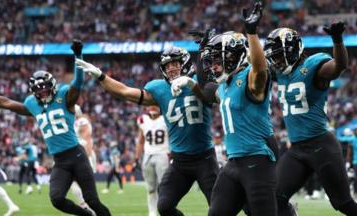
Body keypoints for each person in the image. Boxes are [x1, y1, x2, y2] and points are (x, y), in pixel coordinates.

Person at [76, 45, 219, 216]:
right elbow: (125, 92)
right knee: (164, 206)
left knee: (218, 208)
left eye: (175, 63)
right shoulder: (159, 89)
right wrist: (101, 76)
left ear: (186, 62)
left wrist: (192, 83)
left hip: (205, 158)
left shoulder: (200, 80)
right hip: (180, 161)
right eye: (167, 65)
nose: (171, 68)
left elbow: (213, 96)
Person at [0, 40, 111, 216]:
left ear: (53, 85)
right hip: (60, 161)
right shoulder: (32, 103)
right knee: (57, 199)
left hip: (76, 155)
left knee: (92, 200)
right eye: (39, 90)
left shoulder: (64, 96)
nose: (43, 92)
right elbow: (7, 103)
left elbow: (78, 82)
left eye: (45, 88)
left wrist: (78, 55)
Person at [171, 2, 278, 215]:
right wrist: (201, 53)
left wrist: (252, 32)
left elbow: (260, 67)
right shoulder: (225, 85)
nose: (214, 66)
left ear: (234, 55)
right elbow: (206, 89)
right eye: (212, 61)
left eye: (218, 60)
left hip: (257, 159)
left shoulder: (249, 78)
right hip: (233, 162)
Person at [263, 21, 357, 215]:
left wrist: (337, 40)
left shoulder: (314, 66)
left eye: (280, 55)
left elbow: (339, 66)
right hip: (297, 149)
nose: (277, 61)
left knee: (344, 204)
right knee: (274, 199)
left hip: (322, 146)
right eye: (274, 57)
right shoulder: (280, 73)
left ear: (292, 50)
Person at [135, 105, 169, 216]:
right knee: (150, 188)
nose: (153, 107)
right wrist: (136, 157)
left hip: (163, 155)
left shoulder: (166, 119)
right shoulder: (143, 120)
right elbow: (140, 141)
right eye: (150, 104)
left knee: (163, 187)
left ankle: (165, 211)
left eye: (155, 104)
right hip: (148, 156)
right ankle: (152, 213)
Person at [70, 104, 98, 209]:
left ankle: (86, 206)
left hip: (83, 152)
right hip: (79, 152)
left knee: (79, 182)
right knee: (73, 181)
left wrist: (88, 156)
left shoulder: (81, 122)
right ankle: (84, 205)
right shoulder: (76, 122)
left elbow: (87, 139)